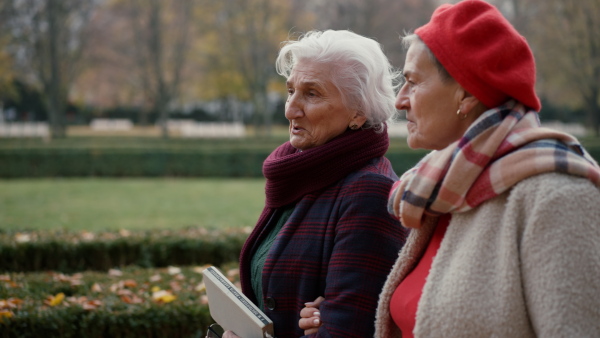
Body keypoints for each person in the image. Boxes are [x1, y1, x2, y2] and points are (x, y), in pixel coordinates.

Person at [300, 1, 600, 337]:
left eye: (413, 81)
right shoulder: (443, 190)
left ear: (465, 95)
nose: (400, 100)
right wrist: (333, 320)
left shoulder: (557, 196)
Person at [222, 30, 409, 338]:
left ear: (358, 113)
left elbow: (349, 332)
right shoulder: (300, 174)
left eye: (311, 94)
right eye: (290, 90)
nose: (290, 110)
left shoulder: (369, 192)